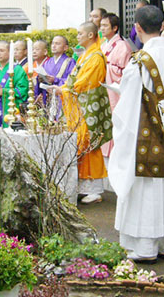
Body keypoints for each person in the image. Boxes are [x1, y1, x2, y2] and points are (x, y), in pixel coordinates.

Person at [108, 4, 164, 263]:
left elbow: (130, 104)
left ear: (137, 28)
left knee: (145, 188)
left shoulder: (140, 62)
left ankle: (145, 246)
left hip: (144, 134)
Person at [52, 22, 108, 204]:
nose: (77, 37)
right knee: (80, 143)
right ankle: (84, 186)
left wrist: (66, 90)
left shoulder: (96, 57)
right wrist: (63, 88)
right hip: (79, 105)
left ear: (91, 35)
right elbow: (75, 78)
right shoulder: (85, 55)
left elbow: (87, 81)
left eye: (80, 33)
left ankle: (95, 188)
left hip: (88, 105)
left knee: (89, 142)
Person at [100, 13, 132, 161]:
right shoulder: (103, 44)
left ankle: (117, 152)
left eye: (106, 25)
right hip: (104, 87)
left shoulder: (122, 45)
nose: (102, 28)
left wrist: (108, 67)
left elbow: (125, 71)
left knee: (116, 117)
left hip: (115, 89)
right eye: (101, 25)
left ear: (115, 28)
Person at [35, 35, 76, 109]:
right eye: (53, 43)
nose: (54, 46)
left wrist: (55, 80)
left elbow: (72, 81)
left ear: (65, 48)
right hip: (48, 98)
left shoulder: (70, 62)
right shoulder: (47, 62)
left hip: (61, 98)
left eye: (57, 44)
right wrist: (40, 79)